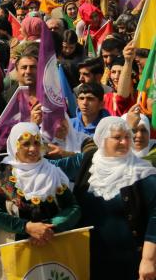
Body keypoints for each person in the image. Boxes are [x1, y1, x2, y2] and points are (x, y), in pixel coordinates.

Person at [54, 116, 156, 278]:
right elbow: (48, 170)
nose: (124, 142)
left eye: (127, 137)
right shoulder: (88, 160)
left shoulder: (141, 171)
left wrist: (148, 259)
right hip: (87, 259)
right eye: (117, 137)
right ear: (102, 139)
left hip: (129, 263)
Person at [0, 122, 81, 278]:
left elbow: (73, 208)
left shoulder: (52, 172)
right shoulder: (2, 175)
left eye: (37, 143)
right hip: (14, 249)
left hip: (51, 246)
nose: (33, 149)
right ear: (15, 147)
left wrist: (49, 228)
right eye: (26, 144)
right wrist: (27, 227)